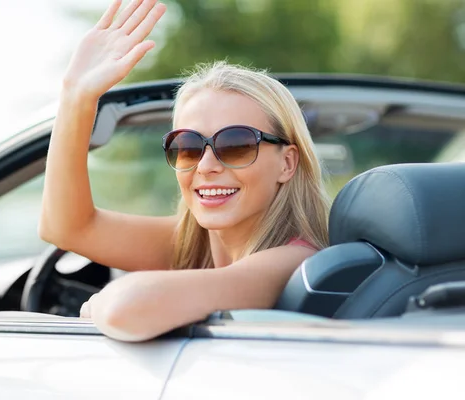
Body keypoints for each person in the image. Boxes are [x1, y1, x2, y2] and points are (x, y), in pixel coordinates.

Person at [38, 0, 330, 342]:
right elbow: (66, 228)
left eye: (236, 144)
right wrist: (76, 96)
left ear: (287, 163)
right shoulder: (195, 244)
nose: (206, 166)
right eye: (188, 146)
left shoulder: (295, 260)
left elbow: (126, 308)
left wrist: (97, 304)